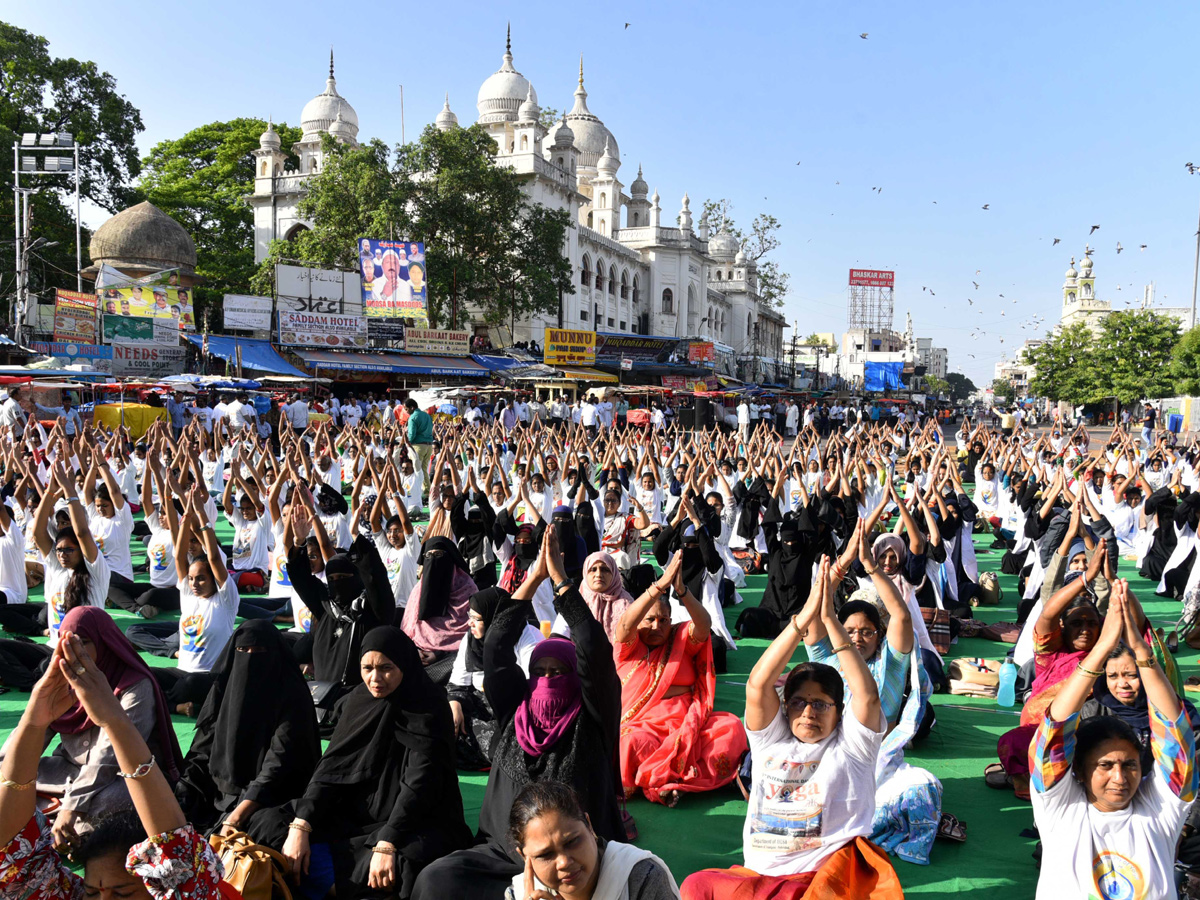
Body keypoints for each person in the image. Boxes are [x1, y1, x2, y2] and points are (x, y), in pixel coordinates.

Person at [411, 529, 624, 900]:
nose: (547, 679)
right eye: (540, 672)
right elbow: (495, 645)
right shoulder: (515, 711)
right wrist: (533, 578)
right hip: (504, 856)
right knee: (435, 880)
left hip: (574, 860)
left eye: (559, 673)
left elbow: (592, 647)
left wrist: (560, 581)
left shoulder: (591, 720)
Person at [680, 557, 902, 900]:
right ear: (785, 707)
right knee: (696, 886)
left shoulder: (853, 748)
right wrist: (802, 621)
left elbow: (869, 697)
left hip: (822, 879)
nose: (809, 712)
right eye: (799, 702)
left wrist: (830, 620)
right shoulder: (771, 741)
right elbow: (757, 684)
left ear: (839, 712)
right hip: (761, 875)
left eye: (821, 704)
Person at [0, 631, 224, 900]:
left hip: (119, 780)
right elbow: (13, 850)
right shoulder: (68, 894)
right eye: (92, 893)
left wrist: (114, 719)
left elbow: (176, 853)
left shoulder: (136, 684)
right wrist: (34, 721)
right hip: (72, 779)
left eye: (123, 895)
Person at [272, 627, 472, 900]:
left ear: (404, 663)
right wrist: (301, 825)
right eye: (367, 668)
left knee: (404, 866)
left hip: (414, 818)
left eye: (386, 668)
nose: (375, 679)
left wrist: (388, 841)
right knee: (273, 823)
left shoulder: (428, 707)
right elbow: (331, 770)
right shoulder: (359, 700)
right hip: (355, 811)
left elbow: (421, 783)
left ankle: (325, 886)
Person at [1030, 581, 1196, 900]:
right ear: (1077, 770)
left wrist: (1143, 654)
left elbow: (1177, 737)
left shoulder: (1159, 812)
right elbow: (1053, 733)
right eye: (1105, 765)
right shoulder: (1060, 810)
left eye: (1130, 765)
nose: (1119, 778)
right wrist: (1101, 649)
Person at [0, 607, 183, 849]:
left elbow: (108, 757)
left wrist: (73, 805)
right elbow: (28, 737)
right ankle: (53, 827)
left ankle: (48, 827)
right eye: (66, 643)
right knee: (11, 777)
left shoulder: (134, 685)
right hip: (67, 771)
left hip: (119, 778)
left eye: (84, 642)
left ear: (104, 642)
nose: (73, 651)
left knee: (113, 802)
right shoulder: (61, 680)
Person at [615, 552, 748, 807]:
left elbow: (704, 623)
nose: (657, 626)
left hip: (688, 720)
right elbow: (624, 626)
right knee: (628, 741)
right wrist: (658, 587)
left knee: (730, 728)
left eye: (664, 620)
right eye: (650, 620)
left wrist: (682, 592)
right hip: (644, 723)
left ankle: (669, 782)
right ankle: (672, 782)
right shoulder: (629, 648)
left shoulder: (681, 639)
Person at [175, 619, 321, 836]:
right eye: (243, 650)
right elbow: (202, 750)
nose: (250, 657)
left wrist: (237, 816)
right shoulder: (224, 688)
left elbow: (278, 764)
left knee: (269, 828)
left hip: (269, 795)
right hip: (217, 789)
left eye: (260, 650)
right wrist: (182, 790)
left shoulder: (292, 695)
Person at [504, 781, 682, 900]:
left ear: (589, 826)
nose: (564, 862)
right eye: (545, 854)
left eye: (572, 842)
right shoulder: (519, 894)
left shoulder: (641, 879)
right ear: (524, 857)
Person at [447, 587, 543, 771]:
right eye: (469, 616)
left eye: (476, 619)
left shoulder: (528, 637)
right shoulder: (471, 639)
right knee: (443, 723)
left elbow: (530, 688)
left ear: (494, 617)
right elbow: (458, 682)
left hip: (512, 708)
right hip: (480, 704)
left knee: (504, 748)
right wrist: (455, 705)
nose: (470, 623)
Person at [32, 461, 110, 642]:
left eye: (68, 550)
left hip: (82, 651)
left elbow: (82, 533)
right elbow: (37, 533)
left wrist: (69, 489)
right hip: (54, 648)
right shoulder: (58, 567)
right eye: (59, 550)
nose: (62, 555)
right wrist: (50, 491)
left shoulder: (95, 570)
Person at [401, 536, 478, 682]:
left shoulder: (467, 590)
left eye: (439, 555)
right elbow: (409, 628)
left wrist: (438, 654)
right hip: (418, 655)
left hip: (455, 660)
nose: (434, 561)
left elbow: (473, 633)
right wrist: (415, 651)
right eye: (429, 556)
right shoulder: (418, 591)